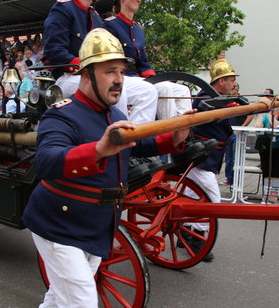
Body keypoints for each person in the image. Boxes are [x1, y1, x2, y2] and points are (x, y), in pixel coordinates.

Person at [22, 28, 191, 308]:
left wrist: (171, 139)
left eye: (122, 72)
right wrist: (99, 148)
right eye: (110, 71)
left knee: (58, 299)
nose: (119, 80)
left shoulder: (116, 114)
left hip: (97, 225)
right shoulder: (60, 115)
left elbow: (137, 143)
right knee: (82, 303)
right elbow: (47, 161)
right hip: (59, 225)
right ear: (86, 75)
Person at [186, 59, 271, 261]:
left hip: (208, 157)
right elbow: (232, 113)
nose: (234, 84)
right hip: (200, 157)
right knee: (213, 201)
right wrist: (257, 107)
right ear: (221, 81)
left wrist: (259, 106)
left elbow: (237, 108)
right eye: (232, 79)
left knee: (190, 196)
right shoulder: (205, 98)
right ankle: (196, 238)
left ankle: (185, 231)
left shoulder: (219, 97)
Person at [42, 0, 158, 123]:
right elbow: (54, 51)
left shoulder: (95, 17)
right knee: (115, 88)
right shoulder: (63, 9)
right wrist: (87, 67)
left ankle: (136, 139)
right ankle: (117, 139)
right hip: (69, 78)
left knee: (147, 91)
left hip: (95, 76)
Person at [104, 0, 192, 119]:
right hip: (122, 76)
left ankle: (182, 135)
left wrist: (154, 77)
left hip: (139, 78)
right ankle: (167, 135)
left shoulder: (138, 30)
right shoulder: (110, 25)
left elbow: (143, 61)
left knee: (183, 90)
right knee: (166, 89)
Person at [254, 102, 279, 200]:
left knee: (277, 172)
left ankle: (274, 196)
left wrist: (270, 116)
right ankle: (265, 195)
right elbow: (258, 126)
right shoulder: (266, 115)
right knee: (266, 171)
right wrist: (261, 114)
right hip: (266, 147)